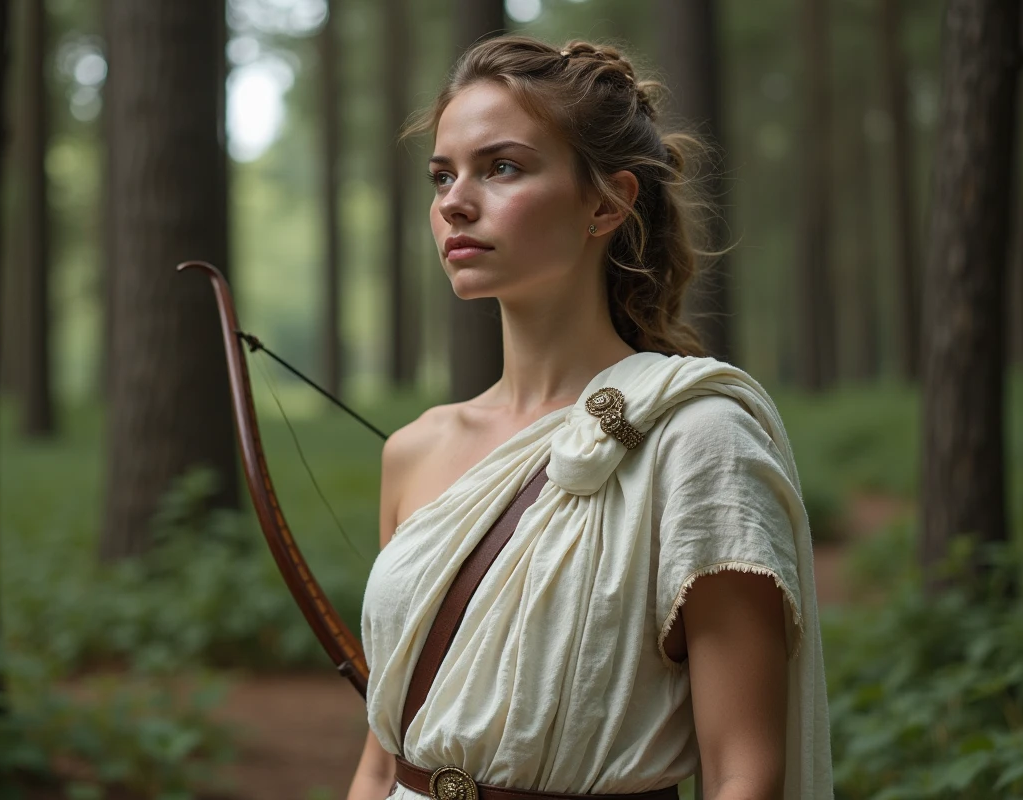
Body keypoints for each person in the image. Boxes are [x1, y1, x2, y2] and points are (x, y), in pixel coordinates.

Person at [347, 35, 832, 800]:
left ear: (607, 202)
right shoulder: (416, 450)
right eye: (442, 175)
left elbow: (746, 771)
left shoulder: (697, 440)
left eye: (500, 167)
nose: (453, 202)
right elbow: (384, 754)